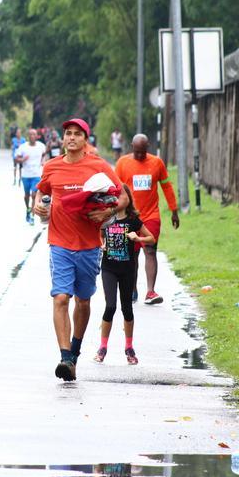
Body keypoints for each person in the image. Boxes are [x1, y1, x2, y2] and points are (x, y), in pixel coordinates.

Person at [33, 118, 128, 382]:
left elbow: (123, 197)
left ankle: (74, 350)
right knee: (60, 298)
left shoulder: (98, 166)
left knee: (83, 301)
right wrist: (38, 205)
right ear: (63, 138)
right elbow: (41, 193)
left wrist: (108, 212)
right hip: (59, 243)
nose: (71, 137)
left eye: (77, 134)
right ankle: (65, 357)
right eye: (68, 133)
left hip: (89, 245)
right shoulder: (51, 166)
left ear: (85, 139)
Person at [114, 134, 179, 305]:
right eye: (137, 152)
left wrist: (174, 210)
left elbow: (166, 186)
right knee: (132, 254)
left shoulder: (157, 163)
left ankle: (150, 291)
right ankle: (132, 288)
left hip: (151, 215)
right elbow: (115, 190)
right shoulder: (122, 163)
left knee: (150, 250)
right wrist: (113, 213)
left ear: (148, 147)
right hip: (130, 216)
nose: (140, 155)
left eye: (143, 152)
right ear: (132, 147)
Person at [94, 185, 154, 365]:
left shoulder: (133, 220)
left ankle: (129, 348)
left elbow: (151, 238)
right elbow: (98, 234)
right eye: (116, 196)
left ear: (128, 199)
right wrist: (102, 244)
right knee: (110, 306)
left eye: (122, 195)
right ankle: (102, 347)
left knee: (127, 309)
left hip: (127, 270)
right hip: (109, 269)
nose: (118, 199)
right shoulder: (107, 218)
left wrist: (138, 238)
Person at [14, 128, 46, 225]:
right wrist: (23, 160)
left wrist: (43, 161)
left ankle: (32, 216)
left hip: (36, 174)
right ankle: (28, 209)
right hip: (26, 175)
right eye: (30, 134)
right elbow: (16, 158)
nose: (32, 136)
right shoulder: (23, 147)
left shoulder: (41, 146)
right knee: (27, 195)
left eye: (34, 134)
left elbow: (44, 154)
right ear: (28, 136)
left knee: (34, 195)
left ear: (37, 136)